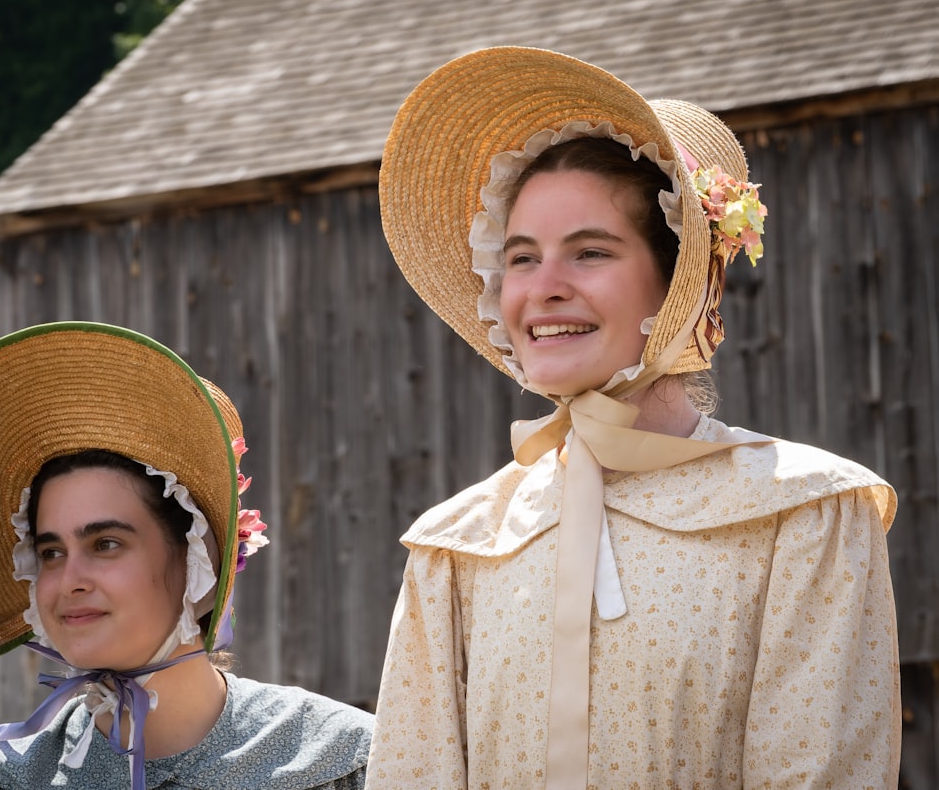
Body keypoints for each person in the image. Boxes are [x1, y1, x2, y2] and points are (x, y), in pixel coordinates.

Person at [365, 47, 900, 789]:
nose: (542, 288)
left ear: (676, 279)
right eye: (521, 258)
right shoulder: (456, 548)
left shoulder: (803, 515)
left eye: (589, 252)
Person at [0, 321, 374, 789]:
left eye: (105, 544)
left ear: (195, 559)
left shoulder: (342, 763)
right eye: (49, 552)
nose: (70, 580)